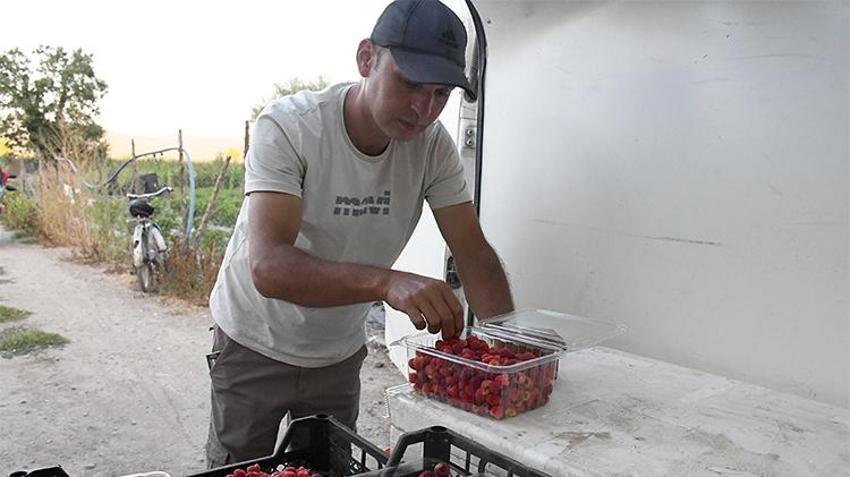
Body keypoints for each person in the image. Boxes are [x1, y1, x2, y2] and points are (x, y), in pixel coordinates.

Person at [205, 0, 513, 467]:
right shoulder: (290, 126)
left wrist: (508, 351)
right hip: (255, 341)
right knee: (240, 470)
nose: (423, 109)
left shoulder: (432, 148)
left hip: (337, 354)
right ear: (367, 58)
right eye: (410, 82)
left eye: (441, 94)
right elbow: (269, 267)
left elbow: (473, 253)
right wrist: (387, 282)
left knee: (325, 468)